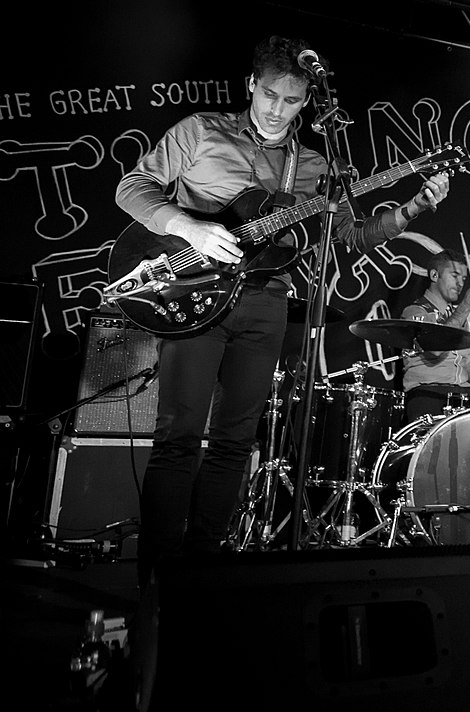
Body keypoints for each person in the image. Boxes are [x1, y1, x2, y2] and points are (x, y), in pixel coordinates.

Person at [114, 34, 450, 588]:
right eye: (269, 95)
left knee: (234, 440)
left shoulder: (316, 164)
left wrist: (412, 206)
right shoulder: (201, 131)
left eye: (291, 101)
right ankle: (155, 578)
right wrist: (186, 225)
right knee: (179, 437)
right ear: (252, 84)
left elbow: (350, 236)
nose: (276, 110)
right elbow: (132, 186)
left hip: (266, 300)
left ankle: (202, 574)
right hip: (191, 289)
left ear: (306, 103)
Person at [400, 249, 470, 422]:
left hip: (460, 395)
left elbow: (468, 360)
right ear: (434, 275)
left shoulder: (457, 315)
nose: (460, 283)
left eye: (463, 278)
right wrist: (465, 306)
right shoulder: (416, 311)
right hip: (429, 394)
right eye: (454, 275)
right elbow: (434, 349)